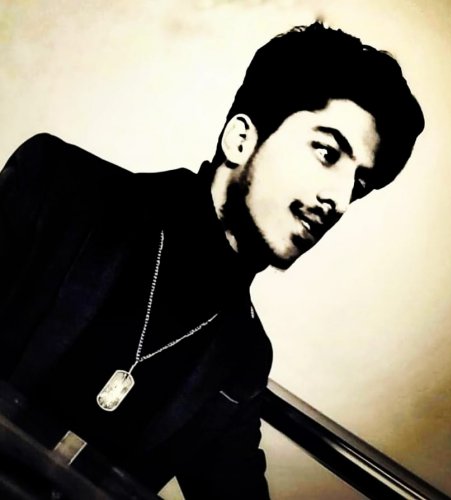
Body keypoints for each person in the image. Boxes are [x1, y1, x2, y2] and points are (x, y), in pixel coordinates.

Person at [0, 22, 424, 499]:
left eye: (359, 185)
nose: (340, 200)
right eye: (327, 153)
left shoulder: (242, 357)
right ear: (240, 139)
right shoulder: (61, 187)